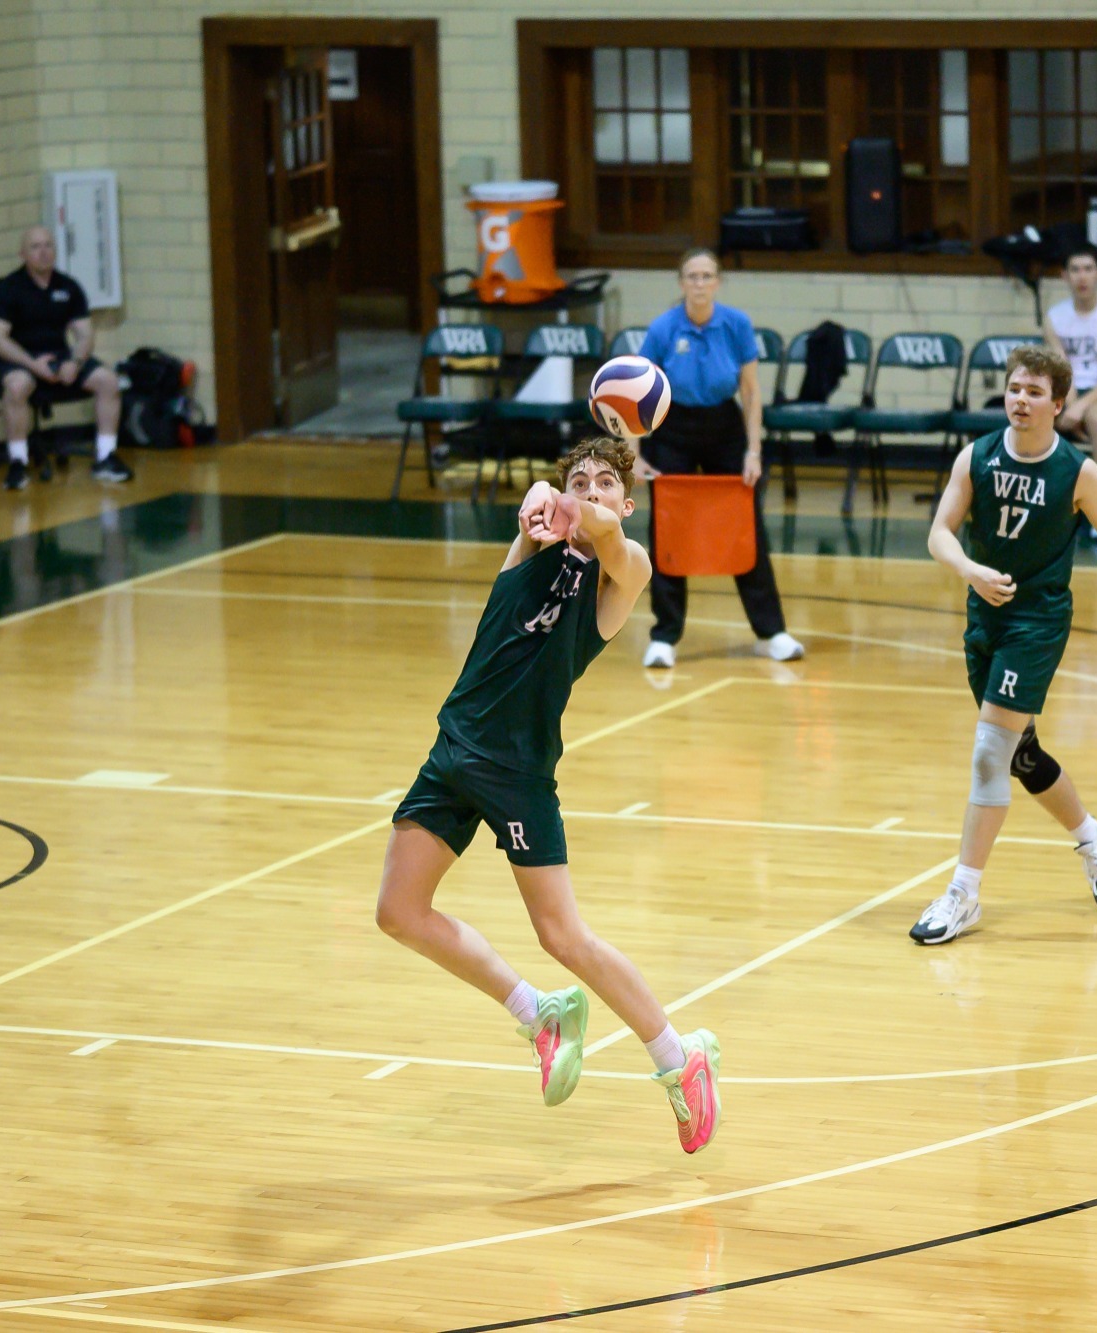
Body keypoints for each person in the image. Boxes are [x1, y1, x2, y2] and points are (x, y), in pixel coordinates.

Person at [374, 436, 723, 1152]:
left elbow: (607, 536)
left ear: (627, 503)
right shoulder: (528, 549)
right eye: (578, 480)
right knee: (398, 912)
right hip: (453, 750)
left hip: (519, 770)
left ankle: (677, 1054)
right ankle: (539, 1013)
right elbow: (546, 510)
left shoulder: (623, 573)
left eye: (604, 484)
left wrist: (567, 498)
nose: (588, 491)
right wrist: (537, 496)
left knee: (563, 934)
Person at [906, 345, 1097, 946]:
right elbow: (939, 533)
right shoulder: (978, 456)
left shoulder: (1078, 472)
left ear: (1058, 405)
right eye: (1015, 389)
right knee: (1021, 755)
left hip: (1036, 622)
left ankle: (963, 893)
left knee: (991, 751)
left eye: (1035, 392)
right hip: (984, 617)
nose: (1021, 399)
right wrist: (970, 570)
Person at [634, 248, 803, 670]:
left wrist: (753, 451)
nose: (699, 284)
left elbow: (750, 391)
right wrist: (633, 455)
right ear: (681, 283)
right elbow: (638, 393)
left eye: (707, 276)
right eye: (691, 276)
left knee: (745, 527)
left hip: (725, 429)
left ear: (718, 282)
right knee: (668, 529)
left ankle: (771, 632)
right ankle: (664, 636)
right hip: (673, 428)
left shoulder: (737, 325)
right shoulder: (662, 329)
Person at [0, 226, 132, 491]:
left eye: (48, 246)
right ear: (22, 254)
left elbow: (85, 335)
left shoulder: (68, 287)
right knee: (16, 388)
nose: (43, 253)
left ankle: (106, 456)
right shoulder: (8, 290)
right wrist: (32, 365)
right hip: (21, 360)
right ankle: (18, 462)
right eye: (35, 247)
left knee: (108, 381)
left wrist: (73, 362)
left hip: (60, 358)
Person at [1043, 243, 1097, 498]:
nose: (1082, 276)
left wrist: (1081, 407)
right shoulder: (1054, 317)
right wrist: (1070, 405)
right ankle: (1044, 505)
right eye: (1075, 270)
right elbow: (1060, 370)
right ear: (1064, 276)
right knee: (1034, 413)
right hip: (1067, 389)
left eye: (1088, 269)